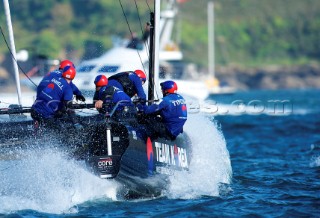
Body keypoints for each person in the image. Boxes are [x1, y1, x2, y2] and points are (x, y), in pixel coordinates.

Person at [31, 65, 83, 130]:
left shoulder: (54, 79)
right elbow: (69, 109)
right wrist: (76, 123)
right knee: (62, 132)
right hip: (45, 116)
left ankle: (37, 132)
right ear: (73, 77)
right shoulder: (68, 89)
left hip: (34, 111)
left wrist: (78, 93)